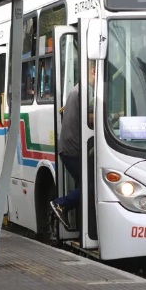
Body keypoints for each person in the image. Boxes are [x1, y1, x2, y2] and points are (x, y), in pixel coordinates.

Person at [50, 61, 96, 230]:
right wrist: (113, 115)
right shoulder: (85, 90)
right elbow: (90, 118)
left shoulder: (79, 87)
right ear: (93, 70)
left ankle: (83, 227)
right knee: (91, 186)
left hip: (69, 149)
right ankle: (61, 204)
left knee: (83, 185)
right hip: (73, 151)